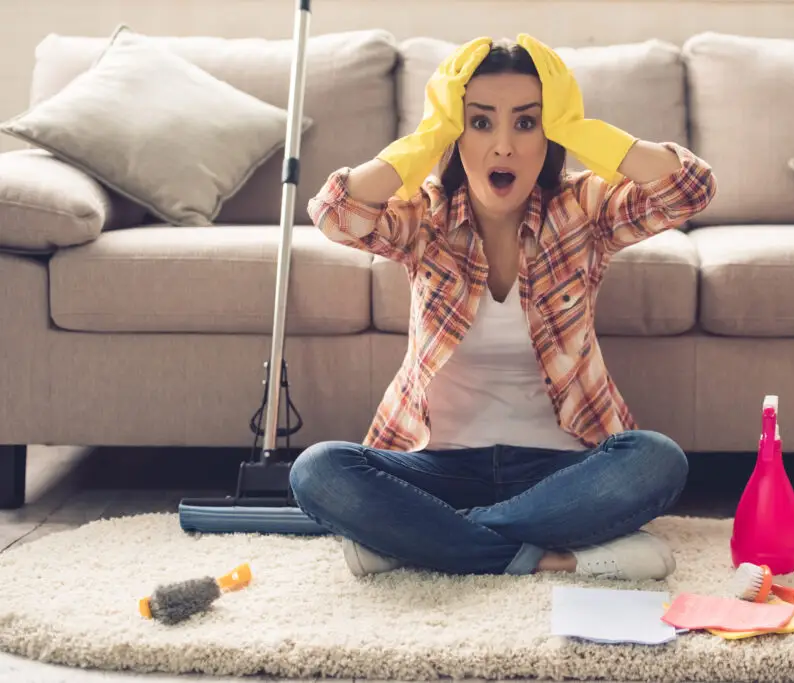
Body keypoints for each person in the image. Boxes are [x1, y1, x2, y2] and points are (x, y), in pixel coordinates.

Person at [290, 34, 717, 581]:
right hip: (437, 465)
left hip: (561, 468)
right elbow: (334, 214)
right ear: (457, 132)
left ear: (549, 132)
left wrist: (580, 129)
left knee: (656, 460)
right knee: (318, 470)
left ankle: (426, 541)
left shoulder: (584, 209)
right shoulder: (425, 216)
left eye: (527, 122)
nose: (504, 147)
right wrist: (428, 137)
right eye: (480, 122)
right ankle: (546, 556)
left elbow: (689, 189)